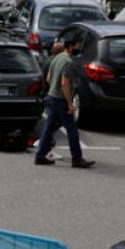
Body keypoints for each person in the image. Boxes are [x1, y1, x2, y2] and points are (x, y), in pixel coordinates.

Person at [34, 34, 95, 168]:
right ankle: (77, 159)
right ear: (71, 46)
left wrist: (54, 90)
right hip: (61, 100)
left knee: (48, 128)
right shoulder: (69, 62)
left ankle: (40, 156)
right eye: (78, 46)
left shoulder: (57, 58)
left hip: (52, 97)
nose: (79, 49)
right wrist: (69, 103)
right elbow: (65, 83)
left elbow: (49, 78)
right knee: (72, 130)